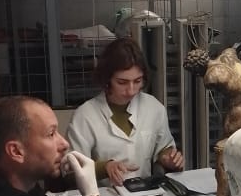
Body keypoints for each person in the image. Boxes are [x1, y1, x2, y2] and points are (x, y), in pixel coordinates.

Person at [67, 37, 183, 186]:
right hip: (102, 195)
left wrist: (168, 158)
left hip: (144, 191)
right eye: (122, 82)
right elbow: (71, 170)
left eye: (137, 81)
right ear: (107, 79)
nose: (131, 90)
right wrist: (105, 167)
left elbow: (163, 148)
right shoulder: (85, 116)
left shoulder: (154, 108)